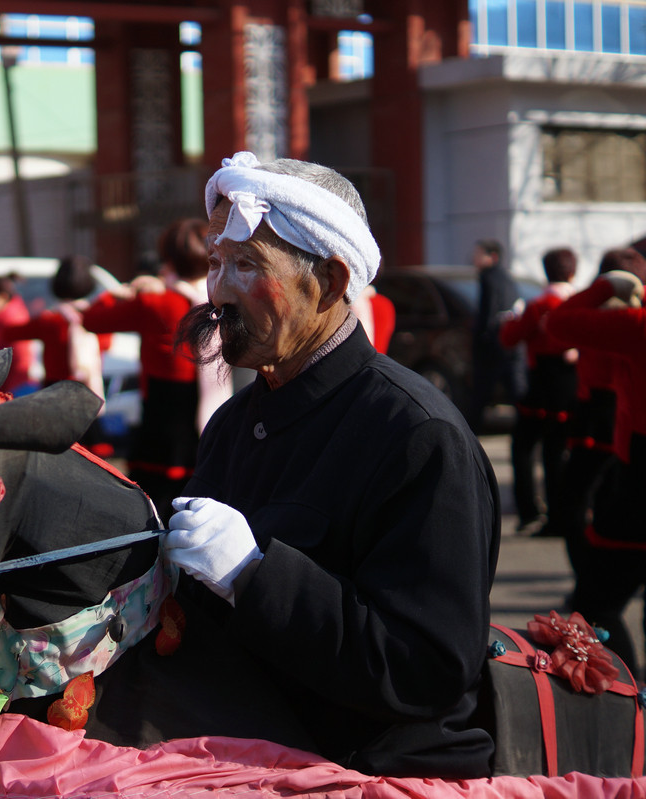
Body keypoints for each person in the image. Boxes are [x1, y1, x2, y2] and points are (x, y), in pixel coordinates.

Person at [166, 152, 500, 778]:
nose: (221, 289)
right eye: (216, 263)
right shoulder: (234, 424)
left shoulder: (416, 435)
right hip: (240, 748)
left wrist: (254, 576)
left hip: (378, 768)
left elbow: (424, 668)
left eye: (248, 265)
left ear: (330, 282)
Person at [82, 218, 232, 514]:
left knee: (156, 508)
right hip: (216, 415)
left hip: (163, 416)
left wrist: (124, 290)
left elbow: (92, 320)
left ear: (170, 259)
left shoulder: (156, 300)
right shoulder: (226, 298)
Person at [545, 267, 646, 677]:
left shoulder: (638, 324)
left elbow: (559, 323)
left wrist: (607, 285)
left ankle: (627, 697)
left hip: (640, 478)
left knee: (595, 603)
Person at [498, 247, 579, 536]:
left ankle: (530, 510)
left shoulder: (539, 305)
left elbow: (510, 338)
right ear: (573, 271)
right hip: (573, 386)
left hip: (542, 384)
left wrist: (512, 321)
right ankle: (562, 512)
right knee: (559, 451)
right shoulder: (581, 303)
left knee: (523, 448)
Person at [4, 254, 110, 395]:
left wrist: (11, 299)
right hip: (87, 391)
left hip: (54, 390)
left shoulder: (50, 320)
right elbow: (107, 344)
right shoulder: (96, 317)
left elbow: (10, 332)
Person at [470, 239, 526, 430]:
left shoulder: (488, 277)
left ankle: (470, 432)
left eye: (479, 254)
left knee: (480, 393)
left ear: (492, 257)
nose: (474, 258)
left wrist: (482, 335)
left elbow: (488, 310)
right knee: (516, 393)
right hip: (509, 342)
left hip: (492, 343)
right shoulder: (506, 276)